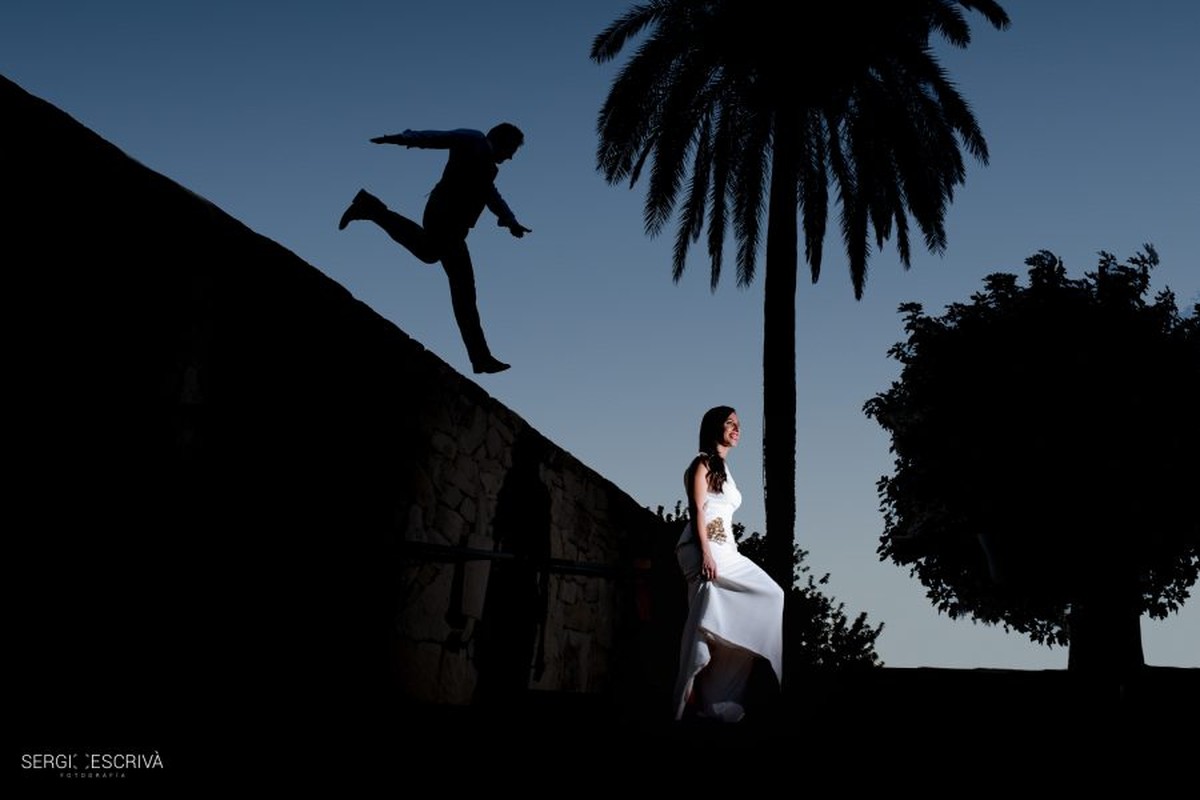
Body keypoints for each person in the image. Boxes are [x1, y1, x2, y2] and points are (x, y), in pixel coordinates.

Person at [337, 123, 532, 374]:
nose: (511, 157)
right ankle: (480, 357)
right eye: (512, 150)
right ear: (502, 141)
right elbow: (438, 138)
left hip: (453, 226)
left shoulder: (488, 168)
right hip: (444, 218)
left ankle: (369, 207)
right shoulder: (473, 140)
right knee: (464, 292)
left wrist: (510, 221)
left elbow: (491, 195)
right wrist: (400, 138)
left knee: (430, 254)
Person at [672, 406, 784, 722]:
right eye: (730, 423)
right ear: (713, 428)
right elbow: (697, 512)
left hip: (727, 549)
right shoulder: (701, 464)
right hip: (703, 548)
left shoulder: (724, 469)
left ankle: (719, 700)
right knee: (706, 620)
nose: (737, 429)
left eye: (739, 424)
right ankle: (689, 698)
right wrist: (706, 553)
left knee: (771, 596)